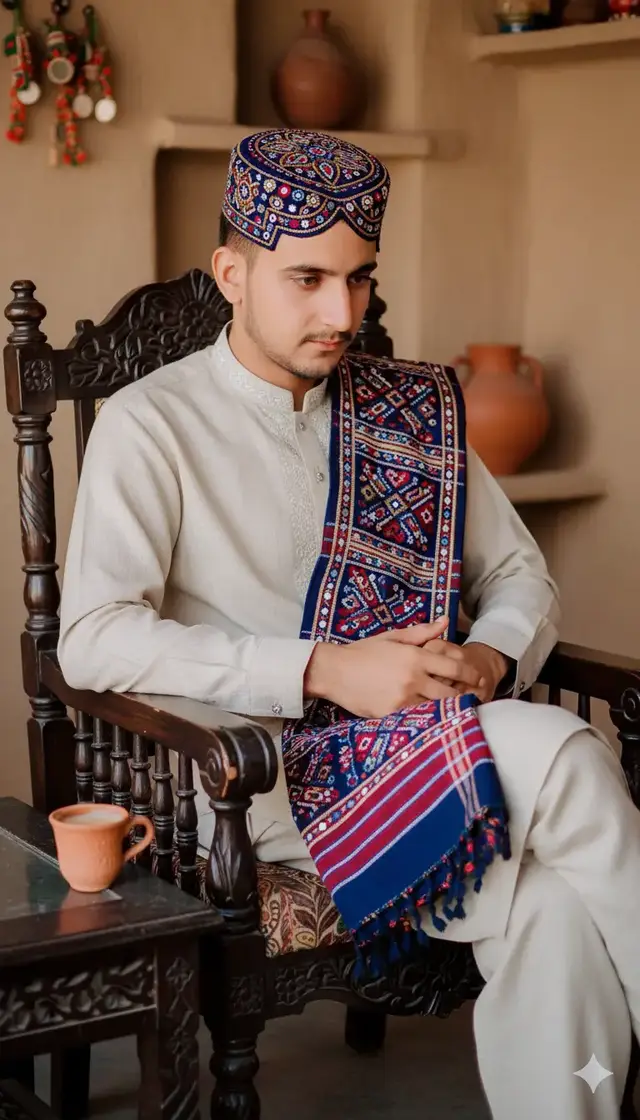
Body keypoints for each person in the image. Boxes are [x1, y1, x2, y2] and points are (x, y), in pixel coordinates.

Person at [58, 129, 640, 1120]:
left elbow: (518, 575)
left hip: (436, 743)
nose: (344, 313)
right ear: (232, 274)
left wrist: (488, 653)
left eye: (360, 279)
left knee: (547, 909)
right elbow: (94, 636)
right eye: (309, 279)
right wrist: (320, 669)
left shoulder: (406, 407)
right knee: (575, 758)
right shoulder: (151, 422)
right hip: (267, 784)